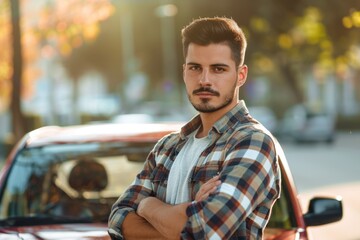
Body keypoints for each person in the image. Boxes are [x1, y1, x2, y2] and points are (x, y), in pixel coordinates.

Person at [108, 17, 281, 240]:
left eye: (218, 69)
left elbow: (203, 231)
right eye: (195, 68)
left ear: (241, 75)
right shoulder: (167, 147)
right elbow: (118, 222)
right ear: (184, 72)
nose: (204, 80)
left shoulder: (253, 142)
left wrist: (148, 206)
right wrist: (187, 212)